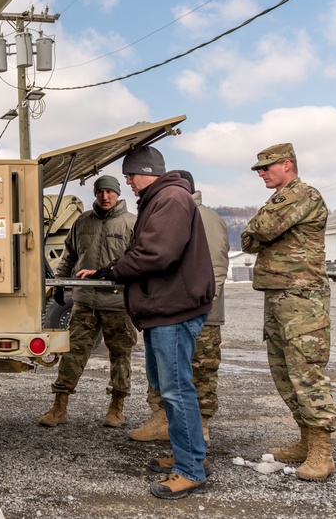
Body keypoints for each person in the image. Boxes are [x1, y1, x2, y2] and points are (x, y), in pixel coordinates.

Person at [79, 146, 214, 499]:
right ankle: (190, 456)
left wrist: (112, 271)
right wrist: (109, 269)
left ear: (148, 171)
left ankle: (190, 470)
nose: (128, 183)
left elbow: (156, 253)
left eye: (131, 176)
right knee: (169, 387)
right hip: (162, 310)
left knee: (175, 389)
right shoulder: (162, 198)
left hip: (172, 310)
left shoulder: (169, 199)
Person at [241, 143, 336, 481]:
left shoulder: (302, 195)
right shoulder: (279, 201)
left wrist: (258, 229)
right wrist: (257, 230)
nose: (262, 174)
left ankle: (322, 453)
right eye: (259, 169)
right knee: (283, 372)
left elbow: (261, 231)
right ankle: (305, 440)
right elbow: (247, 241)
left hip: (302, 299)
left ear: (287, 164)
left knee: (306, 373)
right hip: (278, 295)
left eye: (266, 168)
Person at [129, 170, 229, 450]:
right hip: (178, 308)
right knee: (172, 377)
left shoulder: (202, 216)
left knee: (199, 375)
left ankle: (201, 433)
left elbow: (216, 267)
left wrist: (200, 310)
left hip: (196, 310)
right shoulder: (166, 210)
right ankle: (169, 428)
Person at [38, 175, 137, 428]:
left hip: (118, 303)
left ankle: (116, 408)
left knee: (120, 355)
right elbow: (69, 256)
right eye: (100, 192)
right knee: (73, 353)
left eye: (110, 192)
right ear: (95, 194)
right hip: (85, 302)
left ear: (118, 193)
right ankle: (59, 407)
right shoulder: (82, 222)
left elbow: (138, 262)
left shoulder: (131, 223)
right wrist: (60, 284)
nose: (105, 197)